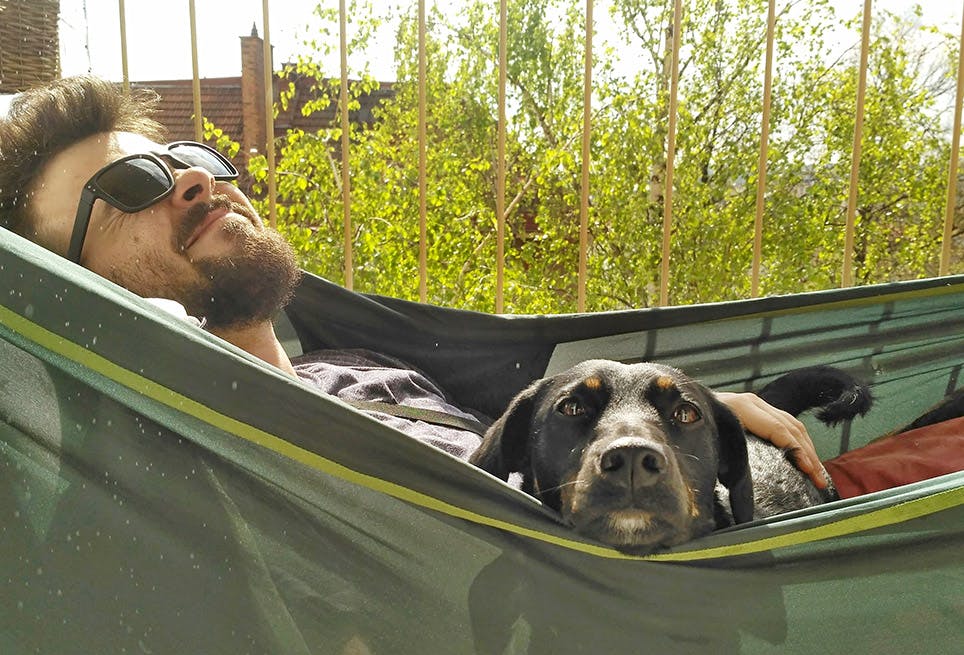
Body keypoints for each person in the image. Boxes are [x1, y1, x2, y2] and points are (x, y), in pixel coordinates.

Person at [0, 74, 828, 482]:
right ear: (73, 292)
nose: (194, 180)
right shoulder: (239, 477)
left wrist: (681, 410)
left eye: (185, 158)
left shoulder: (353, 361)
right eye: (130, 188)